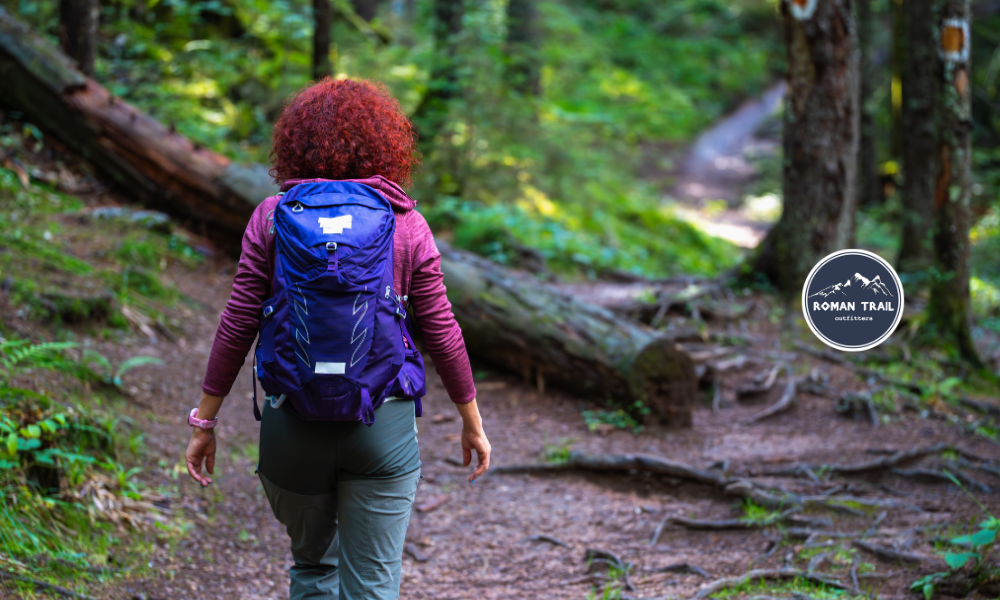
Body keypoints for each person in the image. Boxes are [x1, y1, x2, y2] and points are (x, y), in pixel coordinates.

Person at [183, 78, 492, 600]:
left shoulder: (271, 218)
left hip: (292, 426)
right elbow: (441, 329)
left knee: (312, 569)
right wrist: (471, 423)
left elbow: (238, 321)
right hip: (383, 424)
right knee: (372, 584)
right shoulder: (406, 223)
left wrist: (204, 421)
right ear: (387, 143)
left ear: (295, 144)